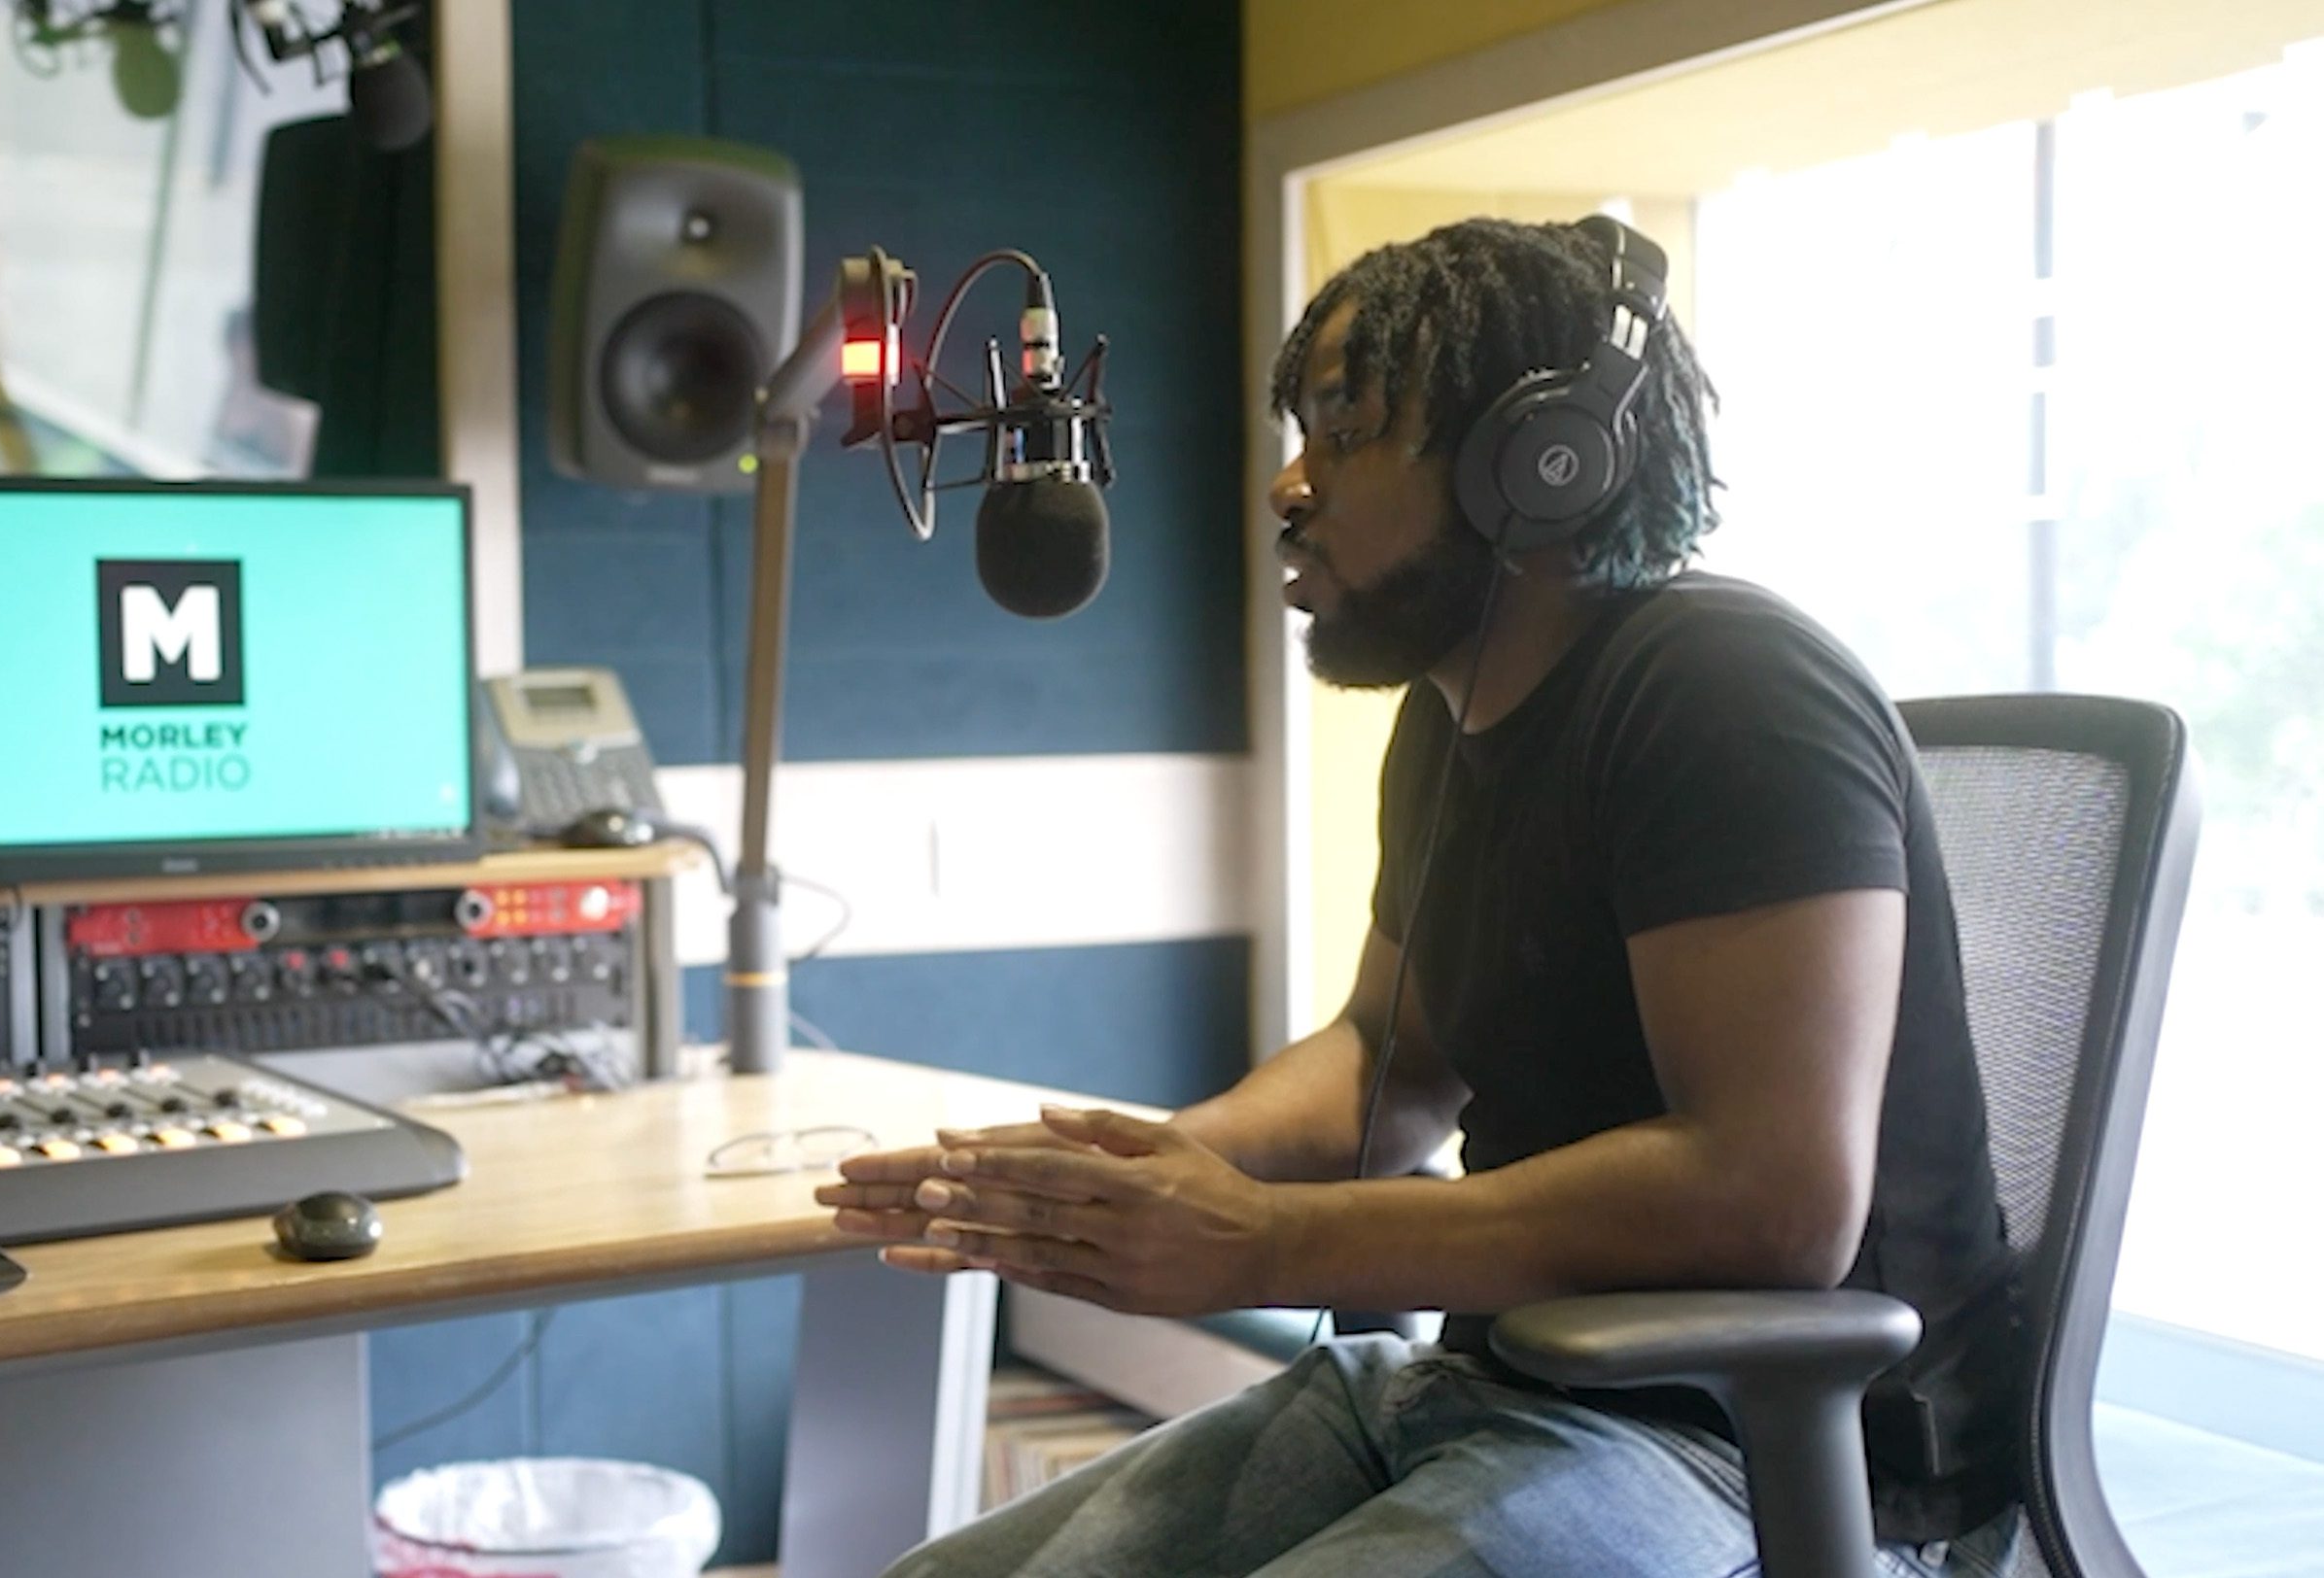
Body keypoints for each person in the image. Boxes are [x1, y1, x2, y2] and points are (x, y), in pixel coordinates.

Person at [819, 217, 2028, 1578]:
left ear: (1536, 460)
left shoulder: (1729, 695)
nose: (1288, 486)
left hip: (1774, 1464)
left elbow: (1773, 1203)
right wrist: (1135, 1176)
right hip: (1498, 1393)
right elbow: (1380, 1071)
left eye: (1344, 432)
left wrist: (1267, 1244)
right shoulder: (1449, 725)